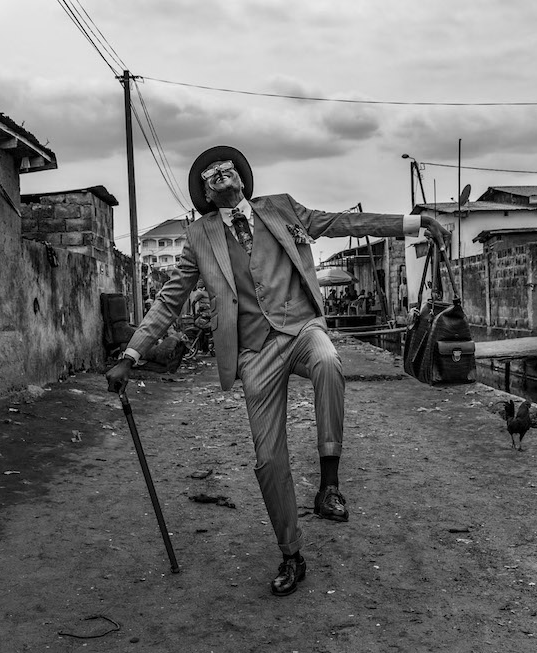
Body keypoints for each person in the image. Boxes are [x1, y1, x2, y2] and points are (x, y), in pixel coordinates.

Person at [105, 145, 447, 597]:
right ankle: (292, 554)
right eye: (210, 175)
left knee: (328, 361)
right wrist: (131, 354)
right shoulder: (200, 236)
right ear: (206, 194)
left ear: (243, 179)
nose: (220, 175)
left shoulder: (282, 209)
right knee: (269, 461)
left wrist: (415, 222)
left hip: (300, 327)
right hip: (253, 352)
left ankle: (328, 486)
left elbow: (345, 223)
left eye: (227, 169)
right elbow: (169, 299)